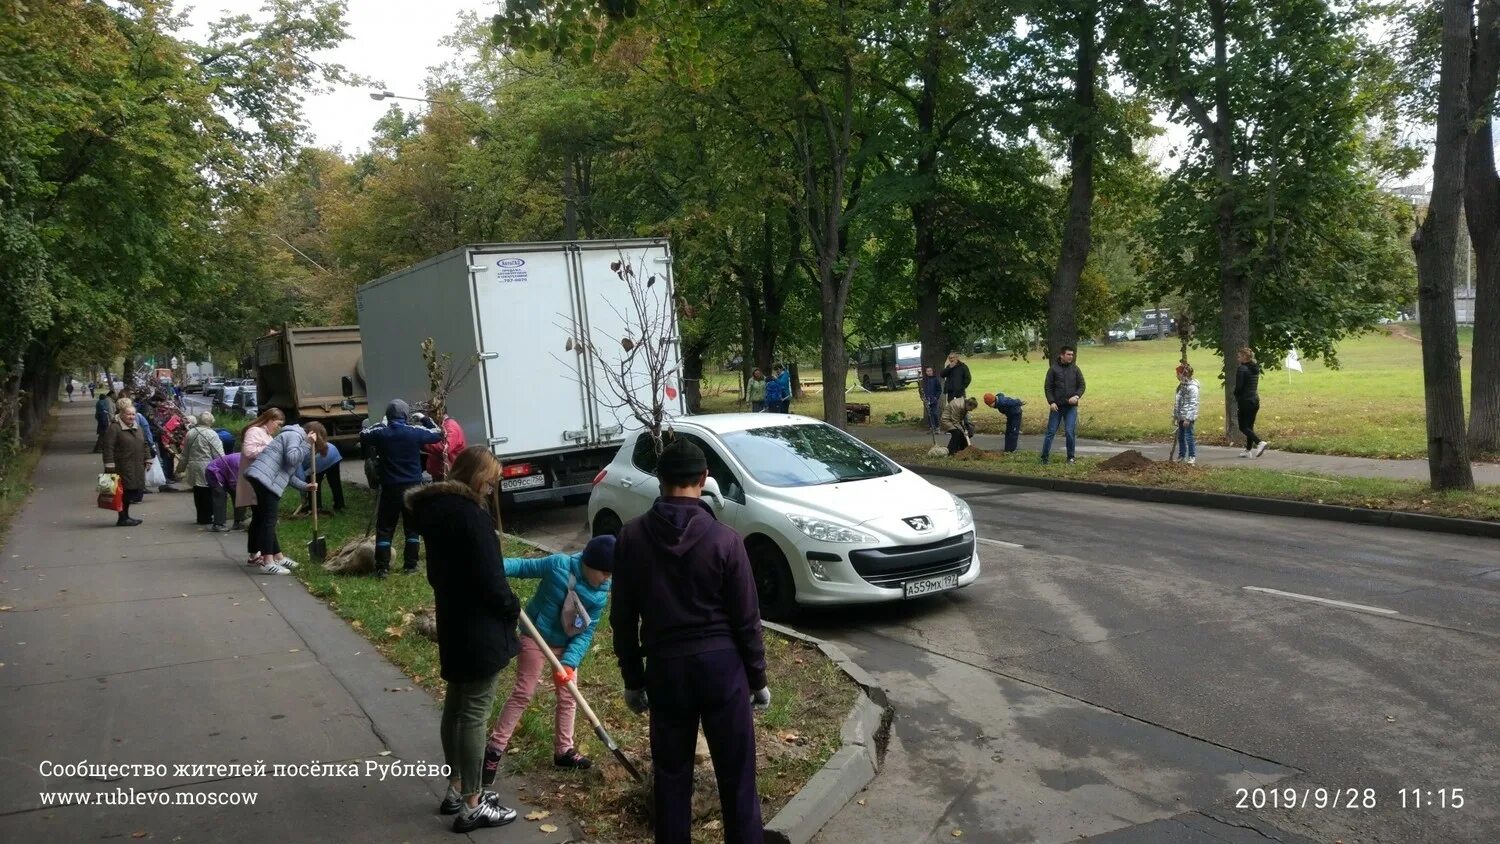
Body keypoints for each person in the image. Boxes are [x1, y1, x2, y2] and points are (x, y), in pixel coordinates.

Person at [612, 438, 769, 844]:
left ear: (659, 479)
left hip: (667, 670)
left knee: (671, 776)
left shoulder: (631, 538)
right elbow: (747, 619)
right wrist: (757, 678)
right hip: (723, 670)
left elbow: (623, 618)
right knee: (737, 776)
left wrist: (633, 679)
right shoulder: (726, 540)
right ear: (705, 479)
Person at [406, 446, 521, 832]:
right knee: (474, 712)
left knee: (456, 705)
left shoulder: (436, 511)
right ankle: (473, 802)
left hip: (453, 620)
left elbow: (438, 573)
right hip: (479, 627)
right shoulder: (471, 516)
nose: (492, 489)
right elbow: (491, 578)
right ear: (477, 477)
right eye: (491, 481)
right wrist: (510, 606)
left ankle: (456, 787)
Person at [483, 535, 614, 783]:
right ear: (589, 563)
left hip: (566, 645)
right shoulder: (558, 565)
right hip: (535, 635)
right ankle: (495, 749)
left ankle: (563, 751)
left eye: (611, 574)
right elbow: (523, 567)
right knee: (524, 691)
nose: (607, 579)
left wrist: (569, 662)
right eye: (604, 572)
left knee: (569, 696)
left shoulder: (599, 595)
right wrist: (494, 568)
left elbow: (585, 633)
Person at [361, 399, 442, 577]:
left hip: (389, 487)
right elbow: (438, 434)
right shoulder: (414, 432)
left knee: (385, 527)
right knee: (412, 526)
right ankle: (410, 566)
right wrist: (424, 419)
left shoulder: (381, 433)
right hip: (413, 487)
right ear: (406, 415)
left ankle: (382, 568)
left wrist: (381, 423)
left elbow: (364, 434)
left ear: (388, 415)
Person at [244, 422, 324, 575]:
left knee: (267, 519)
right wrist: (307, 443)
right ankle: (268, 561)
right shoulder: (294, 435)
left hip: (266, 479)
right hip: (264, 479)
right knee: (269, 521)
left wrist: (305, 486)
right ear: (312, 433)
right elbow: (292, 458)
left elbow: (288, 473)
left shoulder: (296, 439)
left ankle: (278, 557)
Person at [236, 408, 286, 565]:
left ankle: (257, 553)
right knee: (263, 517)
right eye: (277, 424)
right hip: (254, 480)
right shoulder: (254, 431)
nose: (278, 428)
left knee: (259, 517)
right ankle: (267, 555)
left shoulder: (267, 434)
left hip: (262, 480)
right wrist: (271, 449)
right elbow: (249, 451)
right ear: (270, 420)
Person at [102, 398, 150, 527]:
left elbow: (144, 444)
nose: (131, 417)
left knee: (130, 492)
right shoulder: (114, 428)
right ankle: (122, 518)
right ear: (122, 414)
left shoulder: (137, 427)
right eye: (128, 414)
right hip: (121, 467)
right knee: (123, 493)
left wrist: (148, 458)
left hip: (136, 465)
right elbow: (108, 448)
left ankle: (126, 517)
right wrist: (109, 465)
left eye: (133, 414)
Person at [1041, 345, 1085, 465]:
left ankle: (1070, 457)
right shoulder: (1053, 369)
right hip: (1057, 407)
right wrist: (1051, 402)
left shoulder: (1075, 369)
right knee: (1051, 432)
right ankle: (1044, 458)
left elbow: (1082, 385)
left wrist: (1076, 396)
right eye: (1068, 354)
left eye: (1072, 355)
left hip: (1071, 407)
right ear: (1062, 355)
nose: (1071, 357)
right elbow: (1048, 387)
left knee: (1070, 431)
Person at [184, 412, 225, 525]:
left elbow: (185, 453)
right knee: (208, 492)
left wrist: (180, 468)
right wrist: (224, 468)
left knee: (198, 492)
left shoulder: (190, 433)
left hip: (193, 466)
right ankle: (207, 516)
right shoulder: (212, 434)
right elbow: (218, 454)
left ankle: (201, 516)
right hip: (207, 467)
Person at [294, 440, 345, 514]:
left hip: (320, 458)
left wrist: (303, 496)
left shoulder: (294, 460)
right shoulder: (298, 449)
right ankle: (339, 505)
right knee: (335, 482)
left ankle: (315, 507)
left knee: (312, 483)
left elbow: (302, 478)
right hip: (333, 452)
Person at [1235, 348, 1268, 458]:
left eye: (1239, 356)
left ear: (1244, 357)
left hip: (1245, 401)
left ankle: (1259, 442)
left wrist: (1236, 396)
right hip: (1255, 400)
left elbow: (1239, 387)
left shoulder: (1242, 369)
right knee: (1249, 426)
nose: (1238, 358)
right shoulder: (1254, 368)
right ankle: (1248, 450)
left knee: (1243, 427)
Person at [205, 452, 249, 532]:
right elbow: (233, 482)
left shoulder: (248, 461)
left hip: (226, 474)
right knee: (220, 495)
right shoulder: (239, 463)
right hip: (214, 472)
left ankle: (239, 521)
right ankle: (218, 524)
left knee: (239, 495)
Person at [419, 412, 468, 482]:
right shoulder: (443, 425)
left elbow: (444, 448)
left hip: (448, 474)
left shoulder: (450, 426)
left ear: (437, 413)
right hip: (442, 472)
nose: (429, 418)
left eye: (429, 415)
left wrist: (420, 443)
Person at [1172, 365, 1201, 464]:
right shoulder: (1181, 386)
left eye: (1178, 374)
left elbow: (1193, 404)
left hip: (1188, 417)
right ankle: (1181, 455)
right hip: (1180, 416)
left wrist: (1188, 418)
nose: (1176, 376)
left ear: (1183, 374)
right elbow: (1177, 402)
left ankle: (1192, 456)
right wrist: (1175, 415)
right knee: (1181, 437)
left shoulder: (1193, 388)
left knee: (1189, 436)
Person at [919, 366, 944, 435]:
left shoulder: (935, 380)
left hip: (933, 400)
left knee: (935, 413)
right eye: (928, 371)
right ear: (925, 372)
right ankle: (931, 427)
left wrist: (936, 397)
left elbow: (939, 390)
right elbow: (921, 390)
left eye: (930, 371)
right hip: (926, 400)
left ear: (932, 372)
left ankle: (937, 427)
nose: (929, 372)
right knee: (929, 414)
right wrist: (922, 397)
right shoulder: (924, 381)